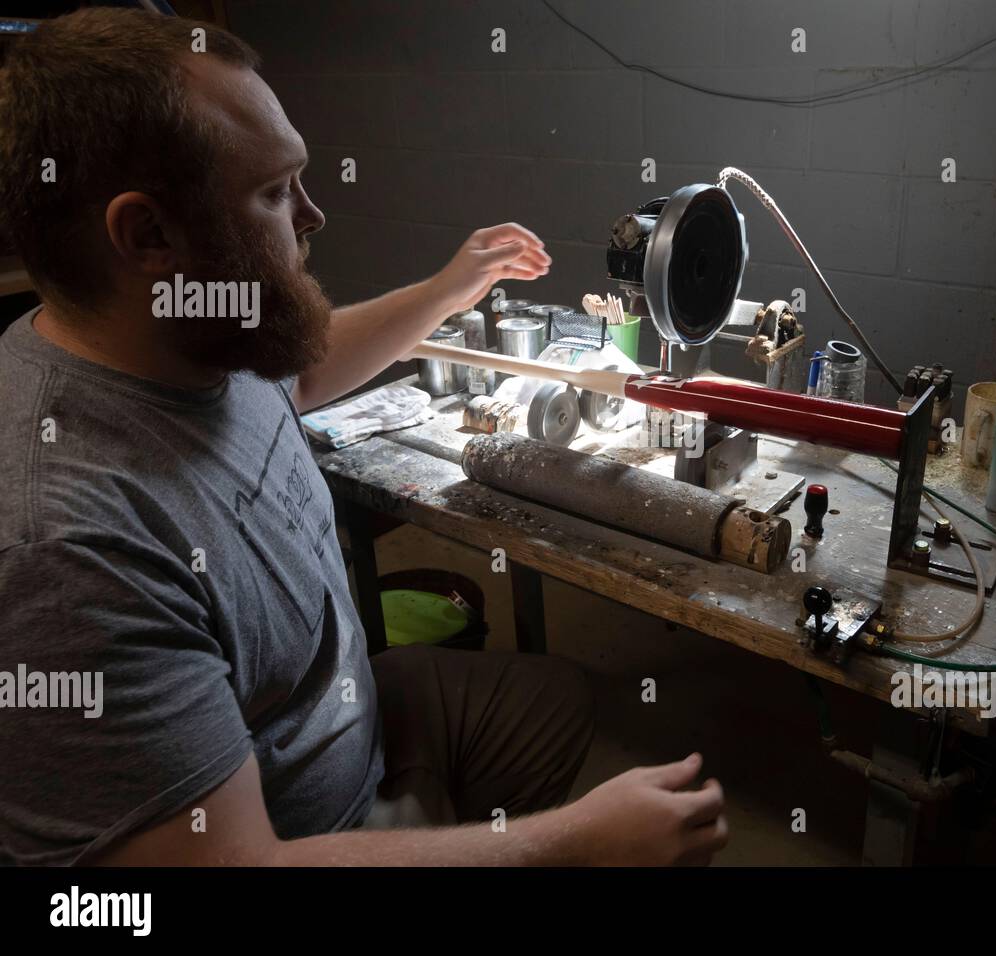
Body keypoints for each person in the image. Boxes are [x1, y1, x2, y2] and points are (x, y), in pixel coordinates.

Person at [0, 7, 727, 866]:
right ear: (148, 235)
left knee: (557, 700)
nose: (312, 214)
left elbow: (297, 378)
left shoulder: (184, 333)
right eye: (273, 192)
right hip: (290, 835)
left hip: (345, 715)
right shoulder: (65, 546)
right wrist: (571, 846)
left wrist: (447, 289)